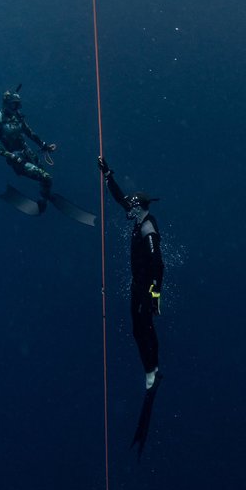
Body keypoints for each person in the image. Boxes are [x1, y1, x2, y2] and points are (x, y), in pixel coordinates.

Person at [98, 156, 163, 389]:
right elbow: (119, 199)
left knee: (144, 327)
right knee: (139, 329)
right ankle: (152, 368)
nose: (128, 210)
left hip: (147, 288)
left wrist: (155, 296)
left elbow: (158, 264)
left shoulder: (147, 228)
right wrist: (108, 175)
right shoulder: (138, 217)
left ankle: (152, 371)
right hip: (137, 285)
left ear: (140, 208)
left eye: (132, 207)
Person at [0, 86, 57, 211]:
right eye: (14, 105)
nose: (17, 108)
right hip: (16, 158)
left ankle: (45, 195)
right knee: (46, 177)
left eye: (18, 105)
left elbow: (29, 132)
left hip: (27, 152)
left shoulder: (17, 116)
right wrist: (11, 156)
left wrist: (44, 145)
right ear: (7, 104)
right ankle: (44, 200)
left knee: (45, 177)